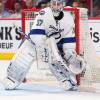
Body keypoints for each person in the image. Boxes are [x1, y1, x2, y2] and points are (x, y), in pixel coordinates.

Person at [3, 0, 86, 90]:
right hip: (35, 41)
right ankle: (12, 77)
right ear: (50, 4)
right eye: (54, 3)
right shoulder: (44, 13)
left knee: (56, 59)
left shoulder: (68, 19)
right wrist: (43, 47)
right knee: (25, 53)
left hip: (53, 44)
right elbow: (36, 34)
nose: (56, 6)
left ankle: (66, 79)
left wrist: (68, 54)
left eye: (58, 4)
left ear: (63, 5)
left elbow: (68, 42)